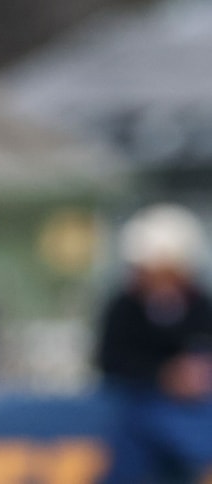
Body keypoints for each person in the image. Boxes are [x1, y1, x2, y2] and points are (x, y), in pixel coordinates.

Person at [95, 203, 212, 484]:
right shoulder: (124, 307)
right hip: (138, 408)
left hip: (196, 416)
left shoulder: (201, 307)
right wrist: (163, 375)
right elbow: (109, 359)